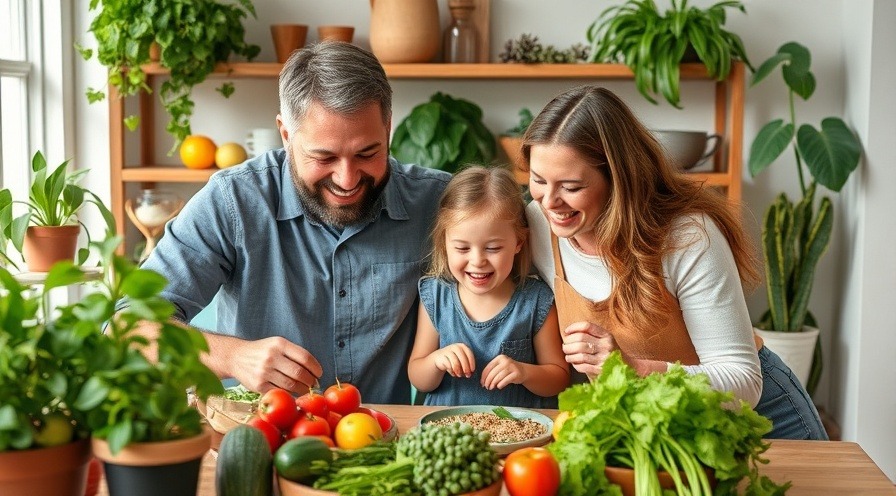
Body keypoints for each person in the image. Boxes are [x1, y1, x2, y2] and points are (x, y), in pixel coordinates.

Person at [135, 41, 451, 404]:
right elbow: (131, 327)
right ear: (286, 135)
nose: (347, 179)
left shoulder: (437, 202)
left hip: (385, 437)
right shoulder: (233, 201)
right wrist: (231, 356)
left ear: (388, 129)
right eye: (324, 156)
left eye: (368, 153)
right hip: (261, 434)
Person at [522, 85, 827, 439]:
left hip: (762, 422)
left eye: (571, 186)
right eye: (538, 180)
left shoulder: (687, 237)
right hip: (664, 427)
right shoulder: (538, 225)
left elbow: (743, 382)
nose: (550, 201)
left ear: (619, 179)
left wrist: (634, 370)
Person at [408, 166, 569, 408]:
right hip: (450, 434)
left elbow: (559, 379)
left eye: (493, 248)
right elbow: (418, 377)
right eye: (462, 248)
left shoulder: (537, 300)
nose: (478, 261)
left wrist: (524, 372)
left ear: (518, 242)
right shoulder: (436, 295)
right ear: (444, 243)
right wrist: (436, 361)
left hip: (520, 436)